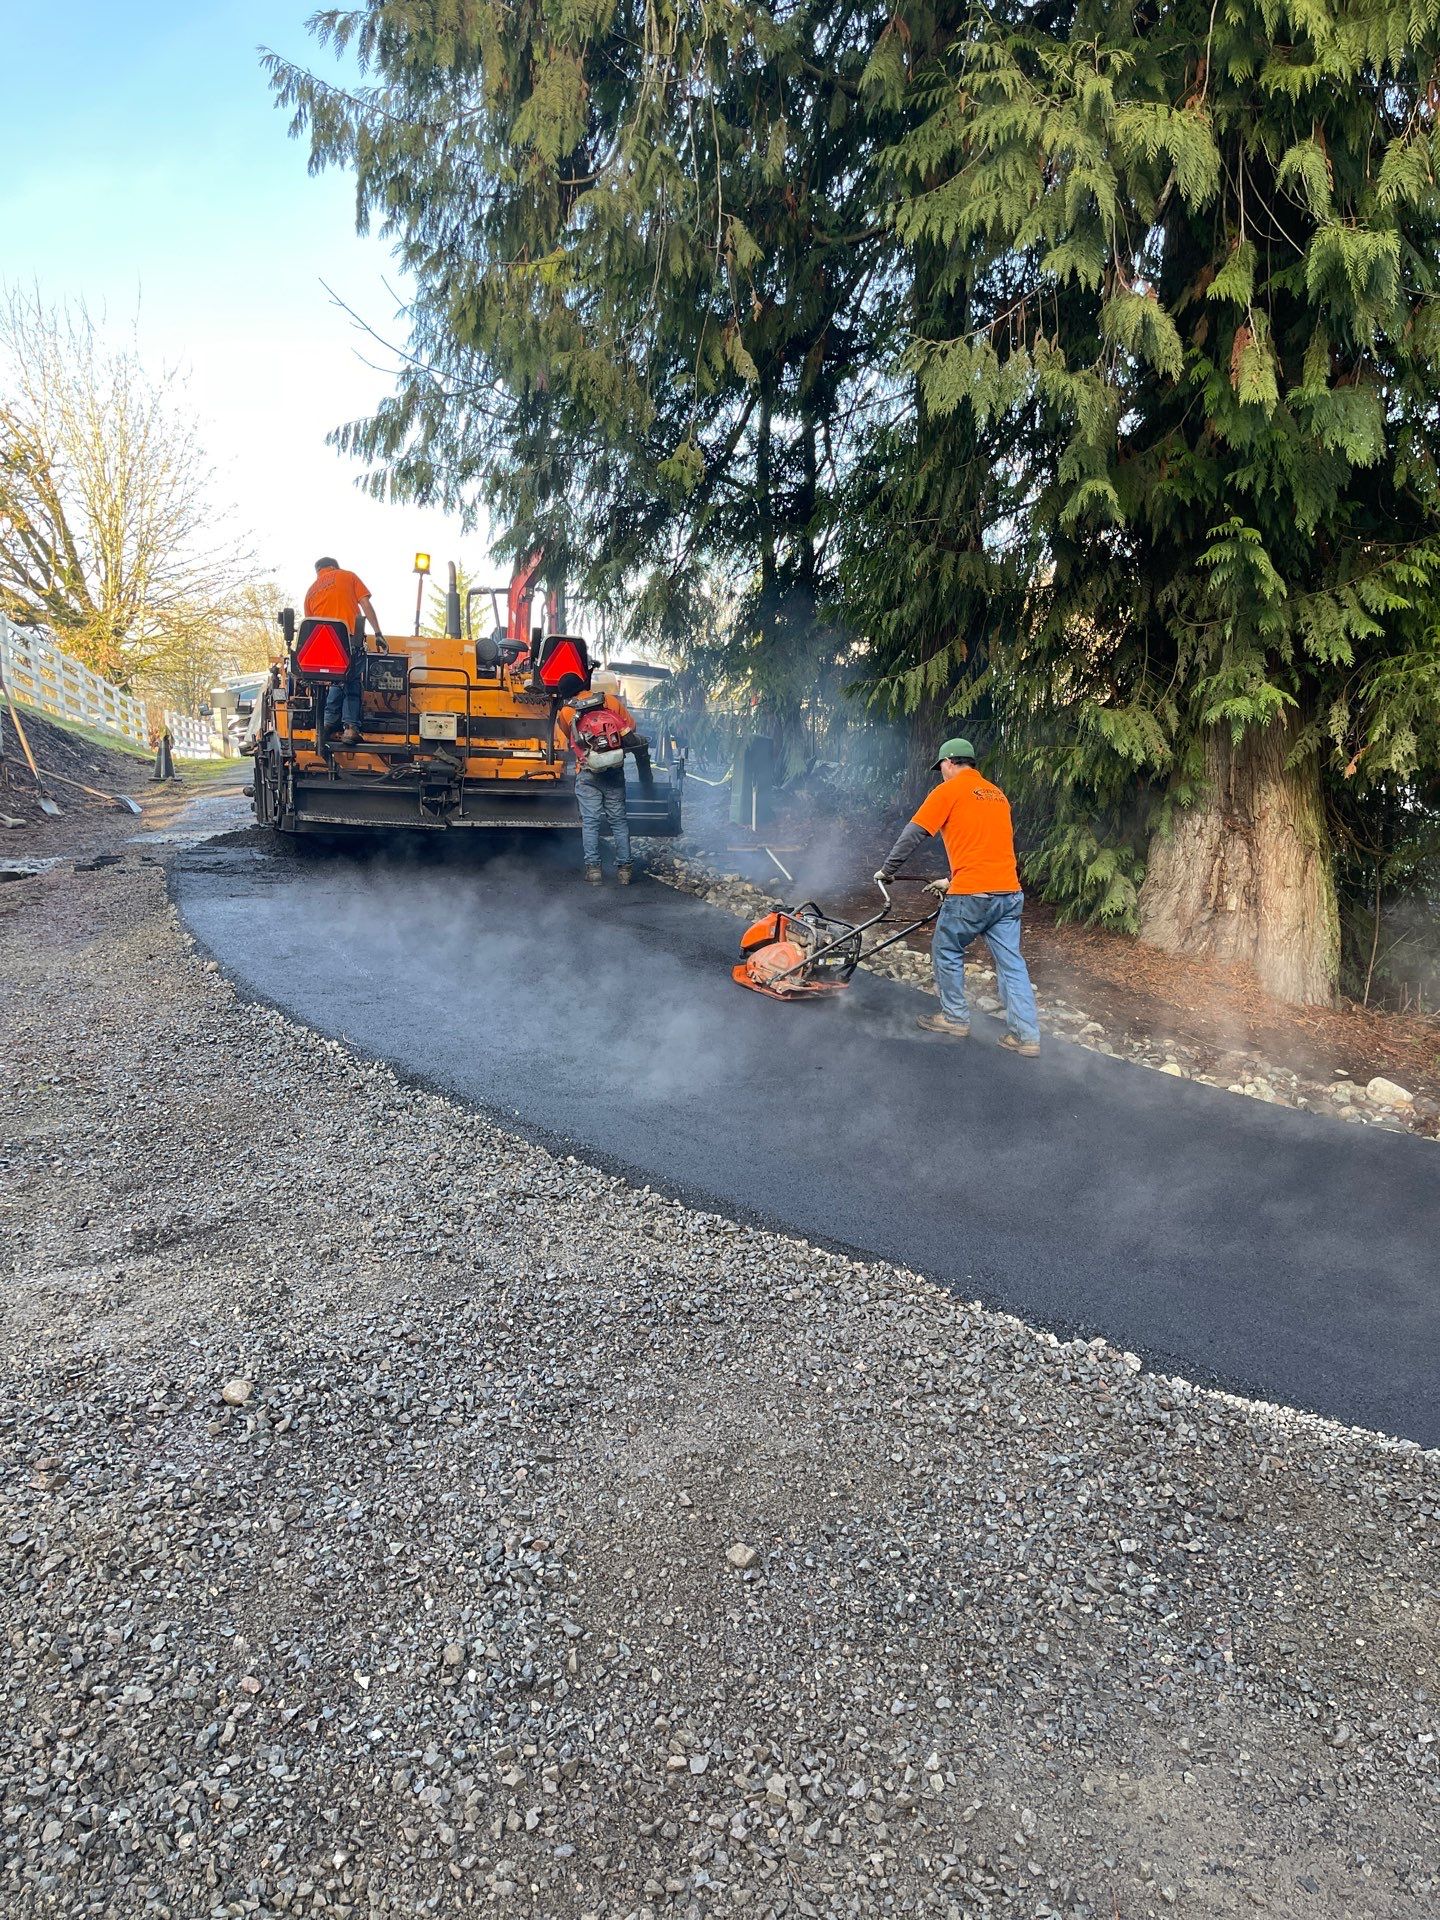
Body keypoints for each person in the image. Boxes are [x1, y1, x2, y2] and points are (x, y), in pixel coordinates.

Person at [875, 736, 1041, 1056]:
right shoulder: (996, 794)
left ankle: (954, 1017)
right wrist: (951, 880)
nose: (941, 773)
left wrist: (888, 869)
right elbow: (986, 844)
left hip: (973, 895)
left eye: (941, 768)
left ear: (950, 763)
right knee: (1012, 964)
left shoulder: (948, 790)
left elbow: (916, 832)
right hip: (1008, 892)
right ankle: (1026, 1036)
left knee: (946, 947)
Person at [558, 678, 653, 884]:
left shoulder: (566, 712)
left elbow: (569, 737)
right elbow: (632, 727)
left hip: (587, 772)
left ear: (567, 694)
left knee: (590, 823)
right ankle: (625, 872)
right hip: (614, 770)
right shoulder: (609, 700)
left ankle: (594, 872)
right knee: (619, 822)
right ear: (585, 685)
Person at [303, 556, 386, 746]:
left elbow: (311, 626)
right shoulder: (347, 576)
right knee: (351, 680)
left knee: (335, 680)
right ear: (334, 567)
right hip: (346, 640)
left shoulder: (310, 592)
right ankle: (350, 728)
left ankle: (327, 723)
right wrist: (378, 632)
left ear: (319, 571)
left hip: (321, 648)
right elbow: (365, 604)